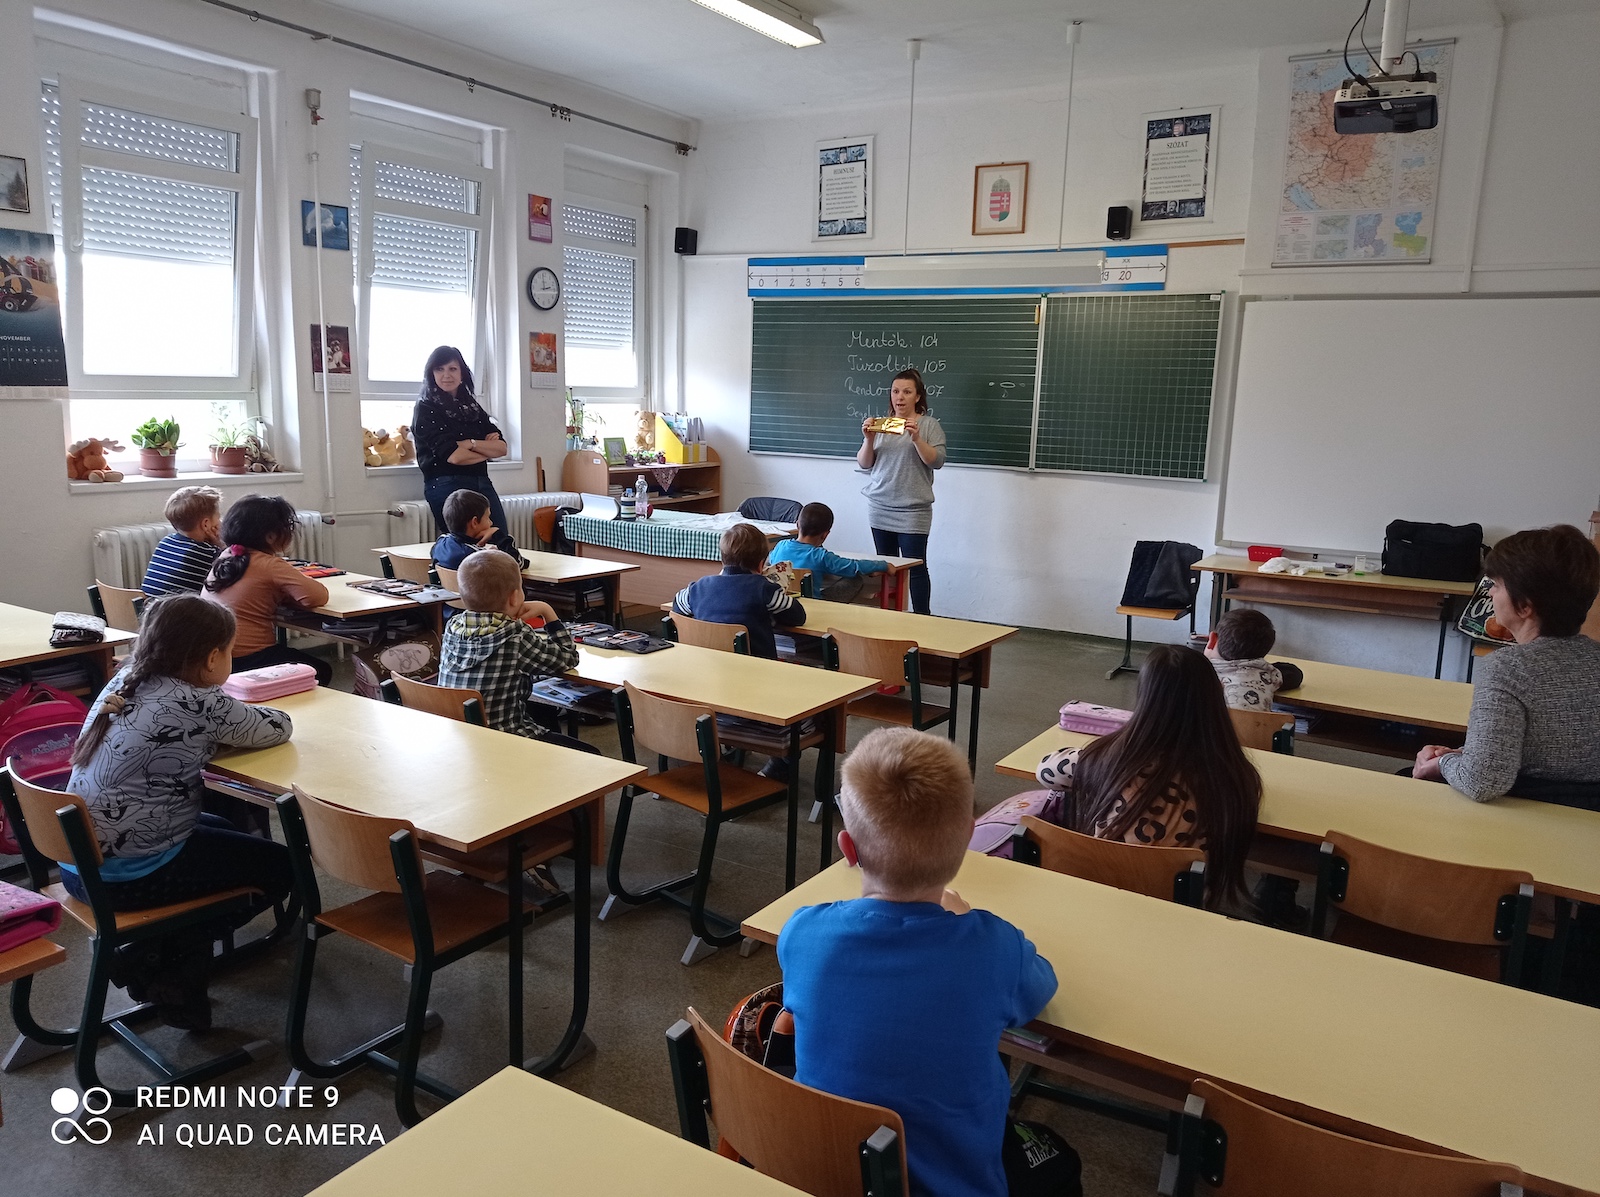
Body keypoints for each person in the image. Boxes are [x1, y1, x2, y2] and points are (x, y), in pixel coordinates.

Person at [780, 728, 1063, 1197]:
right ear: (969, 836)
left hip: (828, 1175)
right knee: (1059, 1162)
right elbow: (1040, 990)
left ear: (848, 849)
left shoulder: (801, 932)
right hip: (959, 1186)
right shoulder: (996, 949)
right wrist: (967, 920)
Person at [65, 595, 295, 1029]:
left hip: (79, 864)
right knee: (285, 867)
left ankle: (161, 954)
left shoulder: (126, 678)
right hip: (129, 880)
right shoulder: (199, 702)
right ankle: (156, 959)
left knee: (220, 825)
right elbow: (277, 727)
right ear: (212, 658)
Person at [1034, 644, 1261, 907]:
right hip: (1183, 909)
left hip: (1099, 897)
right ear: (1215, 695)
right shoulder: (1234, 776)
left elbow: (1045, 771)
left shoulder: (1110, 760)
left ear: (1144, 697)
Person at [1415, 524, 1600, 805]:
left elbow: (1482, 782)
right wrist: (1464, 753)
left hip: (1527, 813)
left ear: (1524, 606)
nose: (1490, 593)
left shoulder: (1508, 669)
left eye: (1496, 585)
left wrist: (1443, 763)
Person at [437, 550, 581, 746]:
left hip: (461, 738)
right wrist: (547, 611)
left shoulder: (453, 627)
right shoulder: (516, 634)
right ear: (515, 597)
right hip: (505, 741)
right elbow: (569, 658)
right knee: (592, 755)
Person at [201, 494, 333, 686]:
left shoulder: (226, 556)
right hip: (250, 658)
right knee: (320, 670)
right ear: (271, 536)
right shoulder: (269, 564)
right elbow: (317, 597)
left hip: (217, 657)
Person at [857, 367, 945, 614]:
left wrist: (916, 439)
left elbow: (937, 461)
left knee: (916, 567)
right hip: (880, 507)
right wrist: (868, 438)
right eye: (895, 391)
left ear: (918, 396)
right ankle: (890, 617)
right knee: (886, 566)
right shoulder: (882, 425)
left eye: (907, 392)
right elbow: (865, 463)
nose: (900, 397)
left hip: (913, 510)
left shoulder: (928, 425)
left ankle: (922, 619)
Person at [411, 345, 511, 537]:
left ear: (462, 374)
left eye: (452, 369)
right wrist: (485, 451)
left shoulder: (472, 407)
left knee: (500, 539)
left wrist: (470, 444)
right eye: (439, 369)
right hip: (445, 484)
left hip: (481, 481)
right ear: (431, 374)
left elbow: (502, 448)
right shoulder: (426, 408)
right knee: (466, 546)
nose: (446, 375)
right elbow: (455, 457)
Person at [673, 523, 805, 660]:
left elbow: (677, 604)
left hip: (708, 664)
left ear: (722, 561)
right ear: (761, 565)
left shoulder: (698, 588)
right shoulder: (763, 589)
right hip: (757, 668)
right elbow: (798, 616)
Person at [768, 501, 888, 604]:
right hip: (813, 605)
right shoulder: (820, 556)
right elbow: (854, 566)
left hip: (781, 601)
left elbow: (770, 562)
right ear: (825, 535)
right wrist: (884, 565)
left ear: (797, 525)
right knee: (855, 580)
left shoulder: (780, 546)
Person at [1204, 608, 1305, 710]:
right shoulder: (1268, 674)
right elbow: (1294, 674)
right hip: (1254, 720)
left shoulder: (1202, 671)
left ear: (1212, 639)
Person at [140, 485, 224, 597]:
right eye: (218, 517)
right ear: (206, 524)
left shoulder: (165, 542)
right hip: (178, 609)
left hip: (147, 607)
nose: (220, 522)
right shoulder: (210, 553)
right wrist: (222, 546)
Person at [432, 487, 520, 572]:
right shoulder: (480, 558)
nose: (491, 523)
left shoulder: (440, 544)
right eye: (488, 517)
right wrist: (499, 536)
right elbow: (517, 565)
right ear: (474, 522)